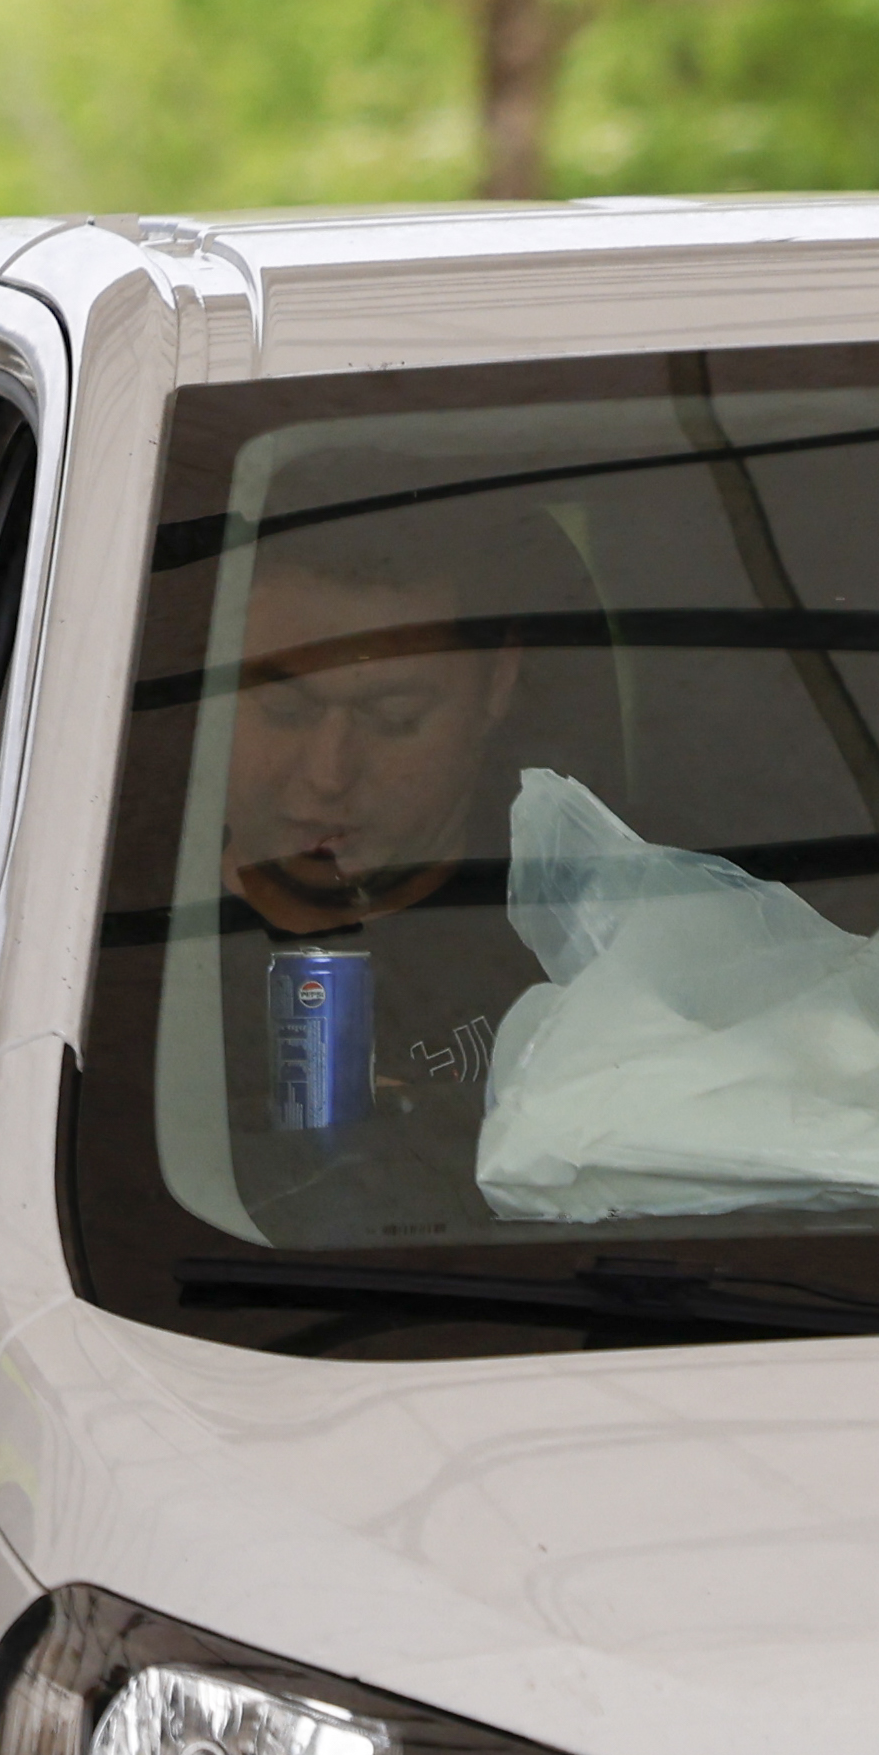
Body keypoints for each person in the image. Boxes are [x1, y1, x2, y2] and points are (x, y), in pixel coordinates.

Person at [206, 489, 564, 1228]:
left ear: (498, 684)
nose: (329, 772)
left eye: (393, 720)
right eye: (285, 712)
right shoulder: (99, 958)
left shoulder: (586, 929)